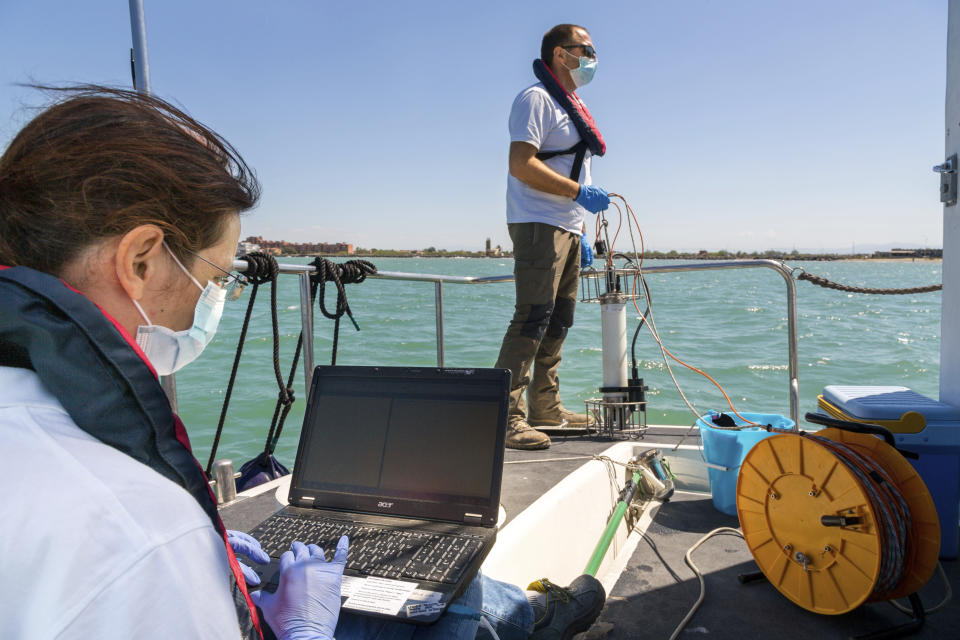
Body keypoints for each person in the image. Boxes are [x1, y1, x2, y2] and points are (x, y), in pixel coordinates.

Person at [0, 87, 605, 640]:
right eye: (217, 277)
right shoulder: (144, 535)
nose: (215, 300)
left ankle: (526, 612)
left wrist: (216, 559)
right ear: (140, 262)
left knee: (418, 584)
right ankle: (532, 616)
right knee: (447, 593)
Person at [495, 24, 610, 450]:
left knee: (559, 320)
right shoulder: (536, 99)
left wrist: (582, 229)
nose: (593, 58)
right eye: (587, 50)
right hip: (539, 222)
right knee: (532, 316)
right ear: (561, 55)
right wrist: (579, 193)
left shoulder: (570, 105)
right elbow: (521, 164)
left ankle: (546, 407)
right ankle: (506, 417)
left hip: (567, 226)